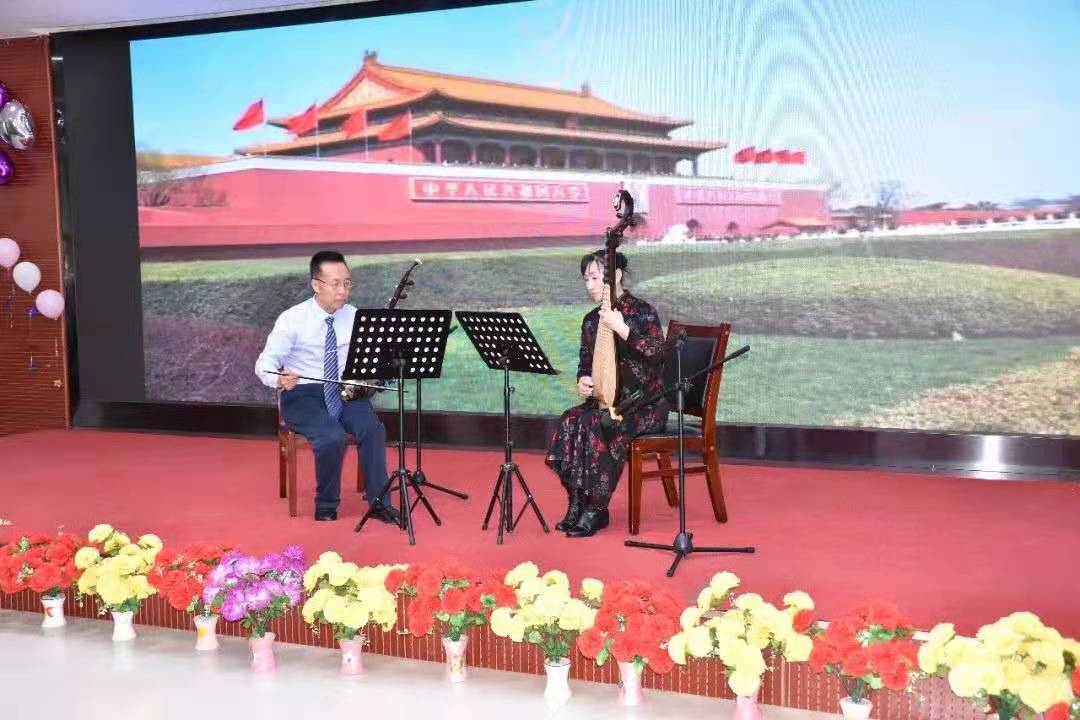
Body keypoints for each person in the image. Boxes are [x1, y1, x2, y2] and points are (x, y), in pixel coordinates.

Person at [255, 250, 399, 524]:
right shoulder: (292, 319)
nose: (343, 291)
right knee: (332, 437)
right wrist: (279, 378)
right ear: (316, 284)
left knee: (372, 429)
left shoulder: (354, 316)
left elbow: (370, 358)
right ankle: (326, 505)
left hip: (345, 392)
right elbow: (264, 363)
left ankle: (379, 503)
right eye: (335, 284)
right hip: (303, 394)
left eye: (347, 283)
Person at [546, 249, 669, 538]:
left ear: (616, 276)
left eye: (595, 278)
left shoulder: (642, 312)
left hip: (645, 405)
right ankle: (577, 501)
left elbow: (658, 354)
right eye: (585, 279)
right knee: (570, 420)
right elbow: (585, 361)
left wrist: (622, 329)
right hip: (606, 401)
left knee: (602, 424)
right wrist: (583, 379)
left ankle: (596, 508)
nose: (589, 285)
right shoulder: (591, 320)